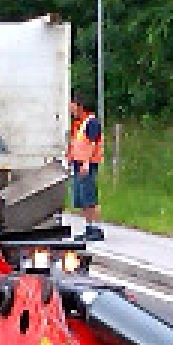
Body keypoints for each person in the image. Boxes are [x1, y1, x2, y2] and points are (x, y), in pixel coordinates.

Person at [68, 98, 106, 240]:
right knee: (83, 199)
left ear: (80, 106)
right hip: (79, 165)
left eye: (72, 107)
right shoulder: (81, 123)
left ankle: (96, 228)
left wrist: (86, 163)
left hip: (86, 165)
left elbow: (91, 144)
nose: (71, 110)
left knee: (89, 198)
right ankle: (89, 227)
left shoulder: (91, 122)